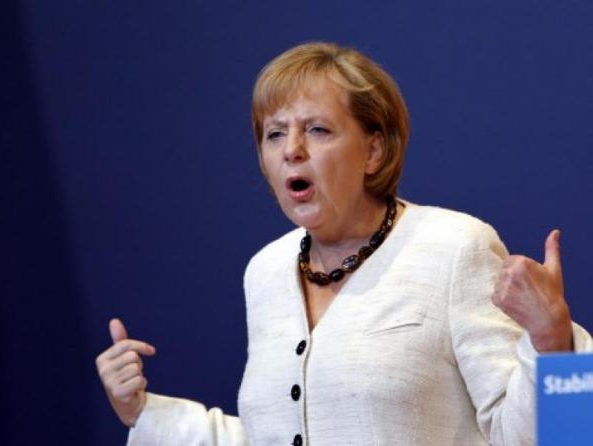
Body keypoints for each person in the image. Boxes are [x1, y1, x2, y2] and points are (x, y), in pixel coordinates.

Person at [95, 42, 592, 445]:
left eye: (317, 129)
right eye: (274, 134)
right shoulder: (265, 272)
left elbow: (544, 437)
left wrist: (553, 345)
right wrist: (143, 413)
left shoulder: (454, 247)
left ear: (373, 150)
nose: (292, 151)